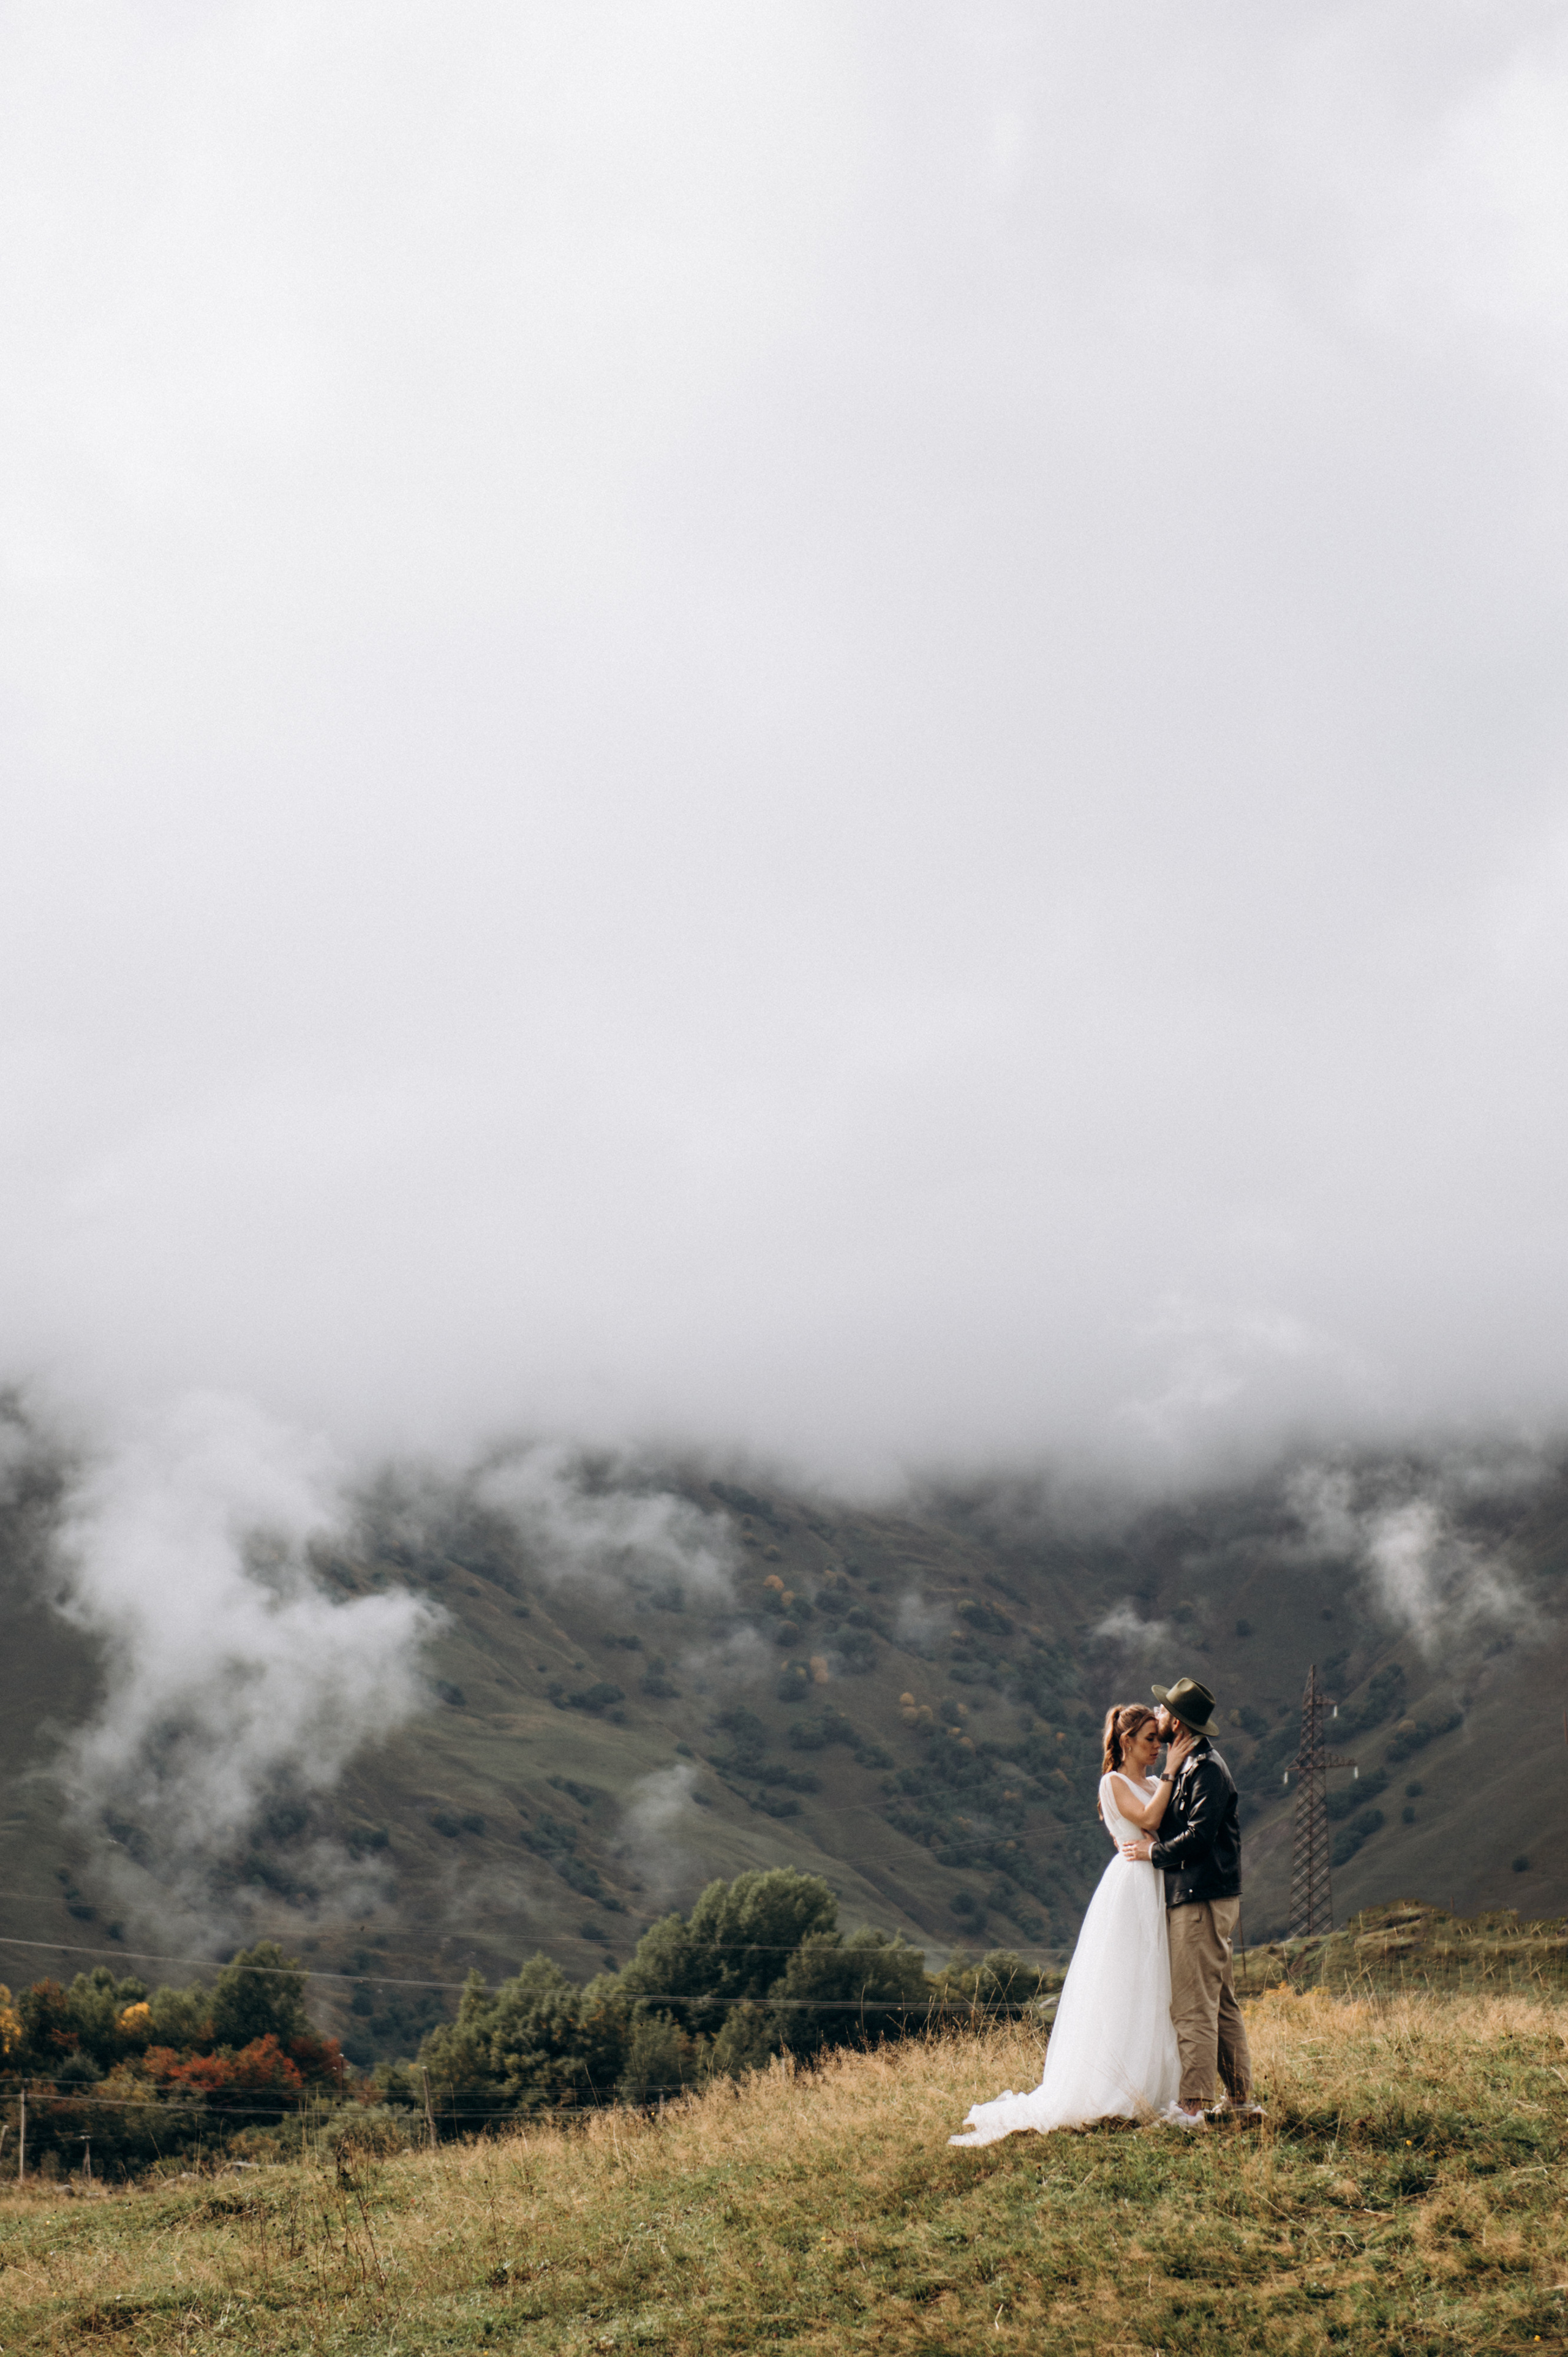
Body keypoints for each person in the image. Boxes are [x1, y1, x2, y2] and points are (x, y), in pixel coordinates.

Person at [948, 1703, 1191, 2143]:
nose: (1159, 1746)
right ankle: (1114, 2085)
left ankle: (1157, 2084)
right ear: (1127, 1741)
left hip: (1158, 1878)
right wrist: (1173, 1771)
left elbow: (1169, 1827)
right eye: (1151, 1738)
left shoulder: (1154, 1782)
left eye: (1162, 1738)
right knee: (1126, 1981)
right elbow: (1151, 1819)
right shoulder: (1113, 1782)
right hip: (1132, 1884)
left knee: (1157, 1984)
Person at [1120, 1675, 1258, 2129]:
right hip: (1205, 1895)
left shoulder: (1207, 1771)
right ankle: (1240, 2100)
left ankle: (1194, 2104)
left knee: (1192, 2004)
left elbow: (1199, 1837)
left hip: (1200, 1898)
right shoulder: (1192, 1765)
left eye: (1163, 1712)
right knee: (1218, 2001)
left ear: (1176, 1724)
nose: (1157, 1716)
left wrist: (1153, 1854)